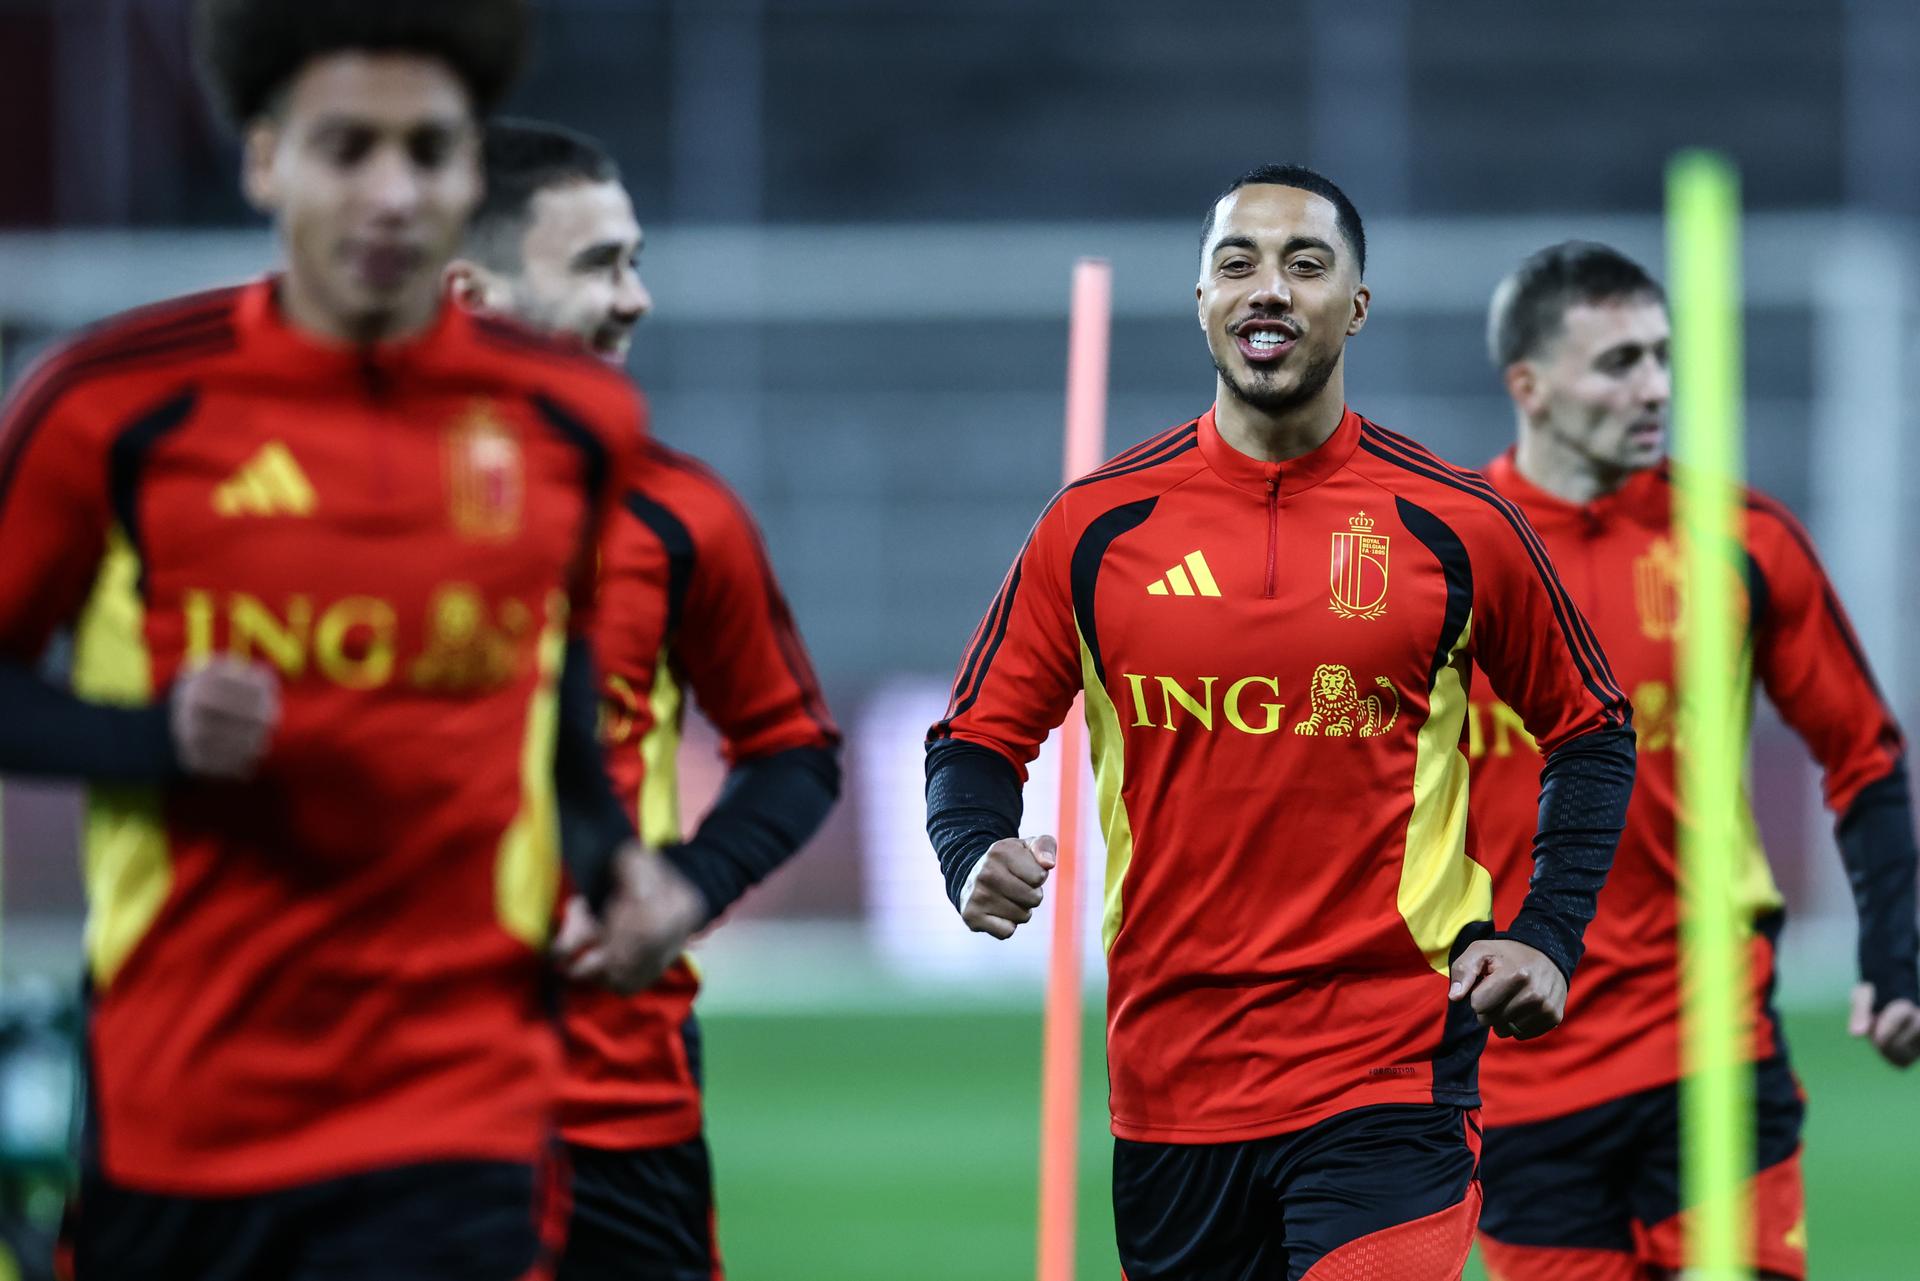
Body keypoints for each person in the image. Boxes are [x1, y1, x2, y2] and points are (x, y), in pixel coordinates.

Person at [0, 3, 665, 1276]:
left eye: (429, 151)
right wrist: (151, 736)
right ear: (264, 160)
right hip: (187, 1101)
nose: (393, 191)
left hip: (458, 1100)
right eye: (346, 147)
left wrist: (604, 853)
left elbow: (549, 667)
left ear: (472, 171)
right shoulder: (112, 406)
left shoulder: (573, 420)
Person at [923, 164, 1638, 1281]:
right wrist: (973, 851)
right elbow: (973, 740)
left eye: (1307, 265)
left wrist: (1547, 934)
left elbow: (1592, 729)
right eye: (1237, 264)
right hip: (1171, 1083)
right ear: (1202, 299)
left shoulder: (1454, 524)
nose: (1270, 288)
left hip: (1390, 1067)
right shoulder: (1095, 527)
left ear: (1354, 305)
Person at [1468, 241, 1920, 1281]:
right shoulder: (1451, 557)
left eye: (1664, 357)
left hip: (1712, 1050)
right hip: (1520, 1074)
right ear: (1528, 386)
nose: (1657, 387)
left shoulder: (1741, 543)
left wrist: (1891, 953)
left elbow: (1864, 754)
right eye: (1619, 362)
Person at [448, 119, 842, 1281]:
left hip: (621, 1101)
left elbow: (793, 747)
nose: (636, 299)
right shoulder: (323, 507)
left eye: (637, 261)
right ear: (470, 291)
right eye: (598, 267)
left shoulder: (681, 515)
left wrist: (686, 888)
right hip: (393, 1104)